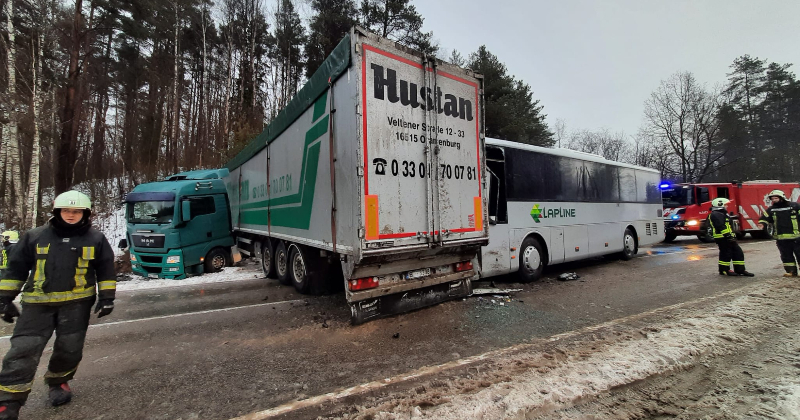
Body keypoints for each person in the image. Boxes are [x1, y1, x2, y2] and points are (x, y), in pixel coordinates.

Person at [0, 191, 116, 420]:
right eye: (66, 211)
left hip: (77, 306)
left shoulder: (96, 239)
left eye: (76, 211)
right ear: (56, 212)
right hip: (37, 306)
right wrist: (4, 298)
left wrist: (107, 298)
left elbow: (105, 269)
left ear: (86, 213)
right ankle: (9, 401)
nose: (71, 215)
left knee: (69, 349)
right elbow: (16, 268)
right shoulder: (35, 236)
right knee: (22, 351)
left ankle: (58, 382)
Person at [707, 197, 754, 277]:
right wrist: (728, 235)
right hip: (722, 237)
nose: (727, 206)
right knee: (726, 253)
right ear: (720, 205)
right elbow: (720, 226)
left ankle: (740, 270)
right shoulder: (716, 214)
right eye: (725, 205)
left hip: (727, 236)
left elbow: (727, 225)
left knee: (737, 252)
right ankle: (724, 270)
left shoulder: (722, 213)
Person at [758, 189, 800, 277]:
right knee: (786, 256)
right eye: (772, 199)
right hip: (781, 238)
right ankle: (791, 271)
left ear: (782, 197)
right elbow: (764, 217)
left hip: (796, 237)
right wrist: (762, 223)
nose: (774, 200)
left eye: (776, 198)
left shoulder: (794, 206)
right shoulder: (771, 209)